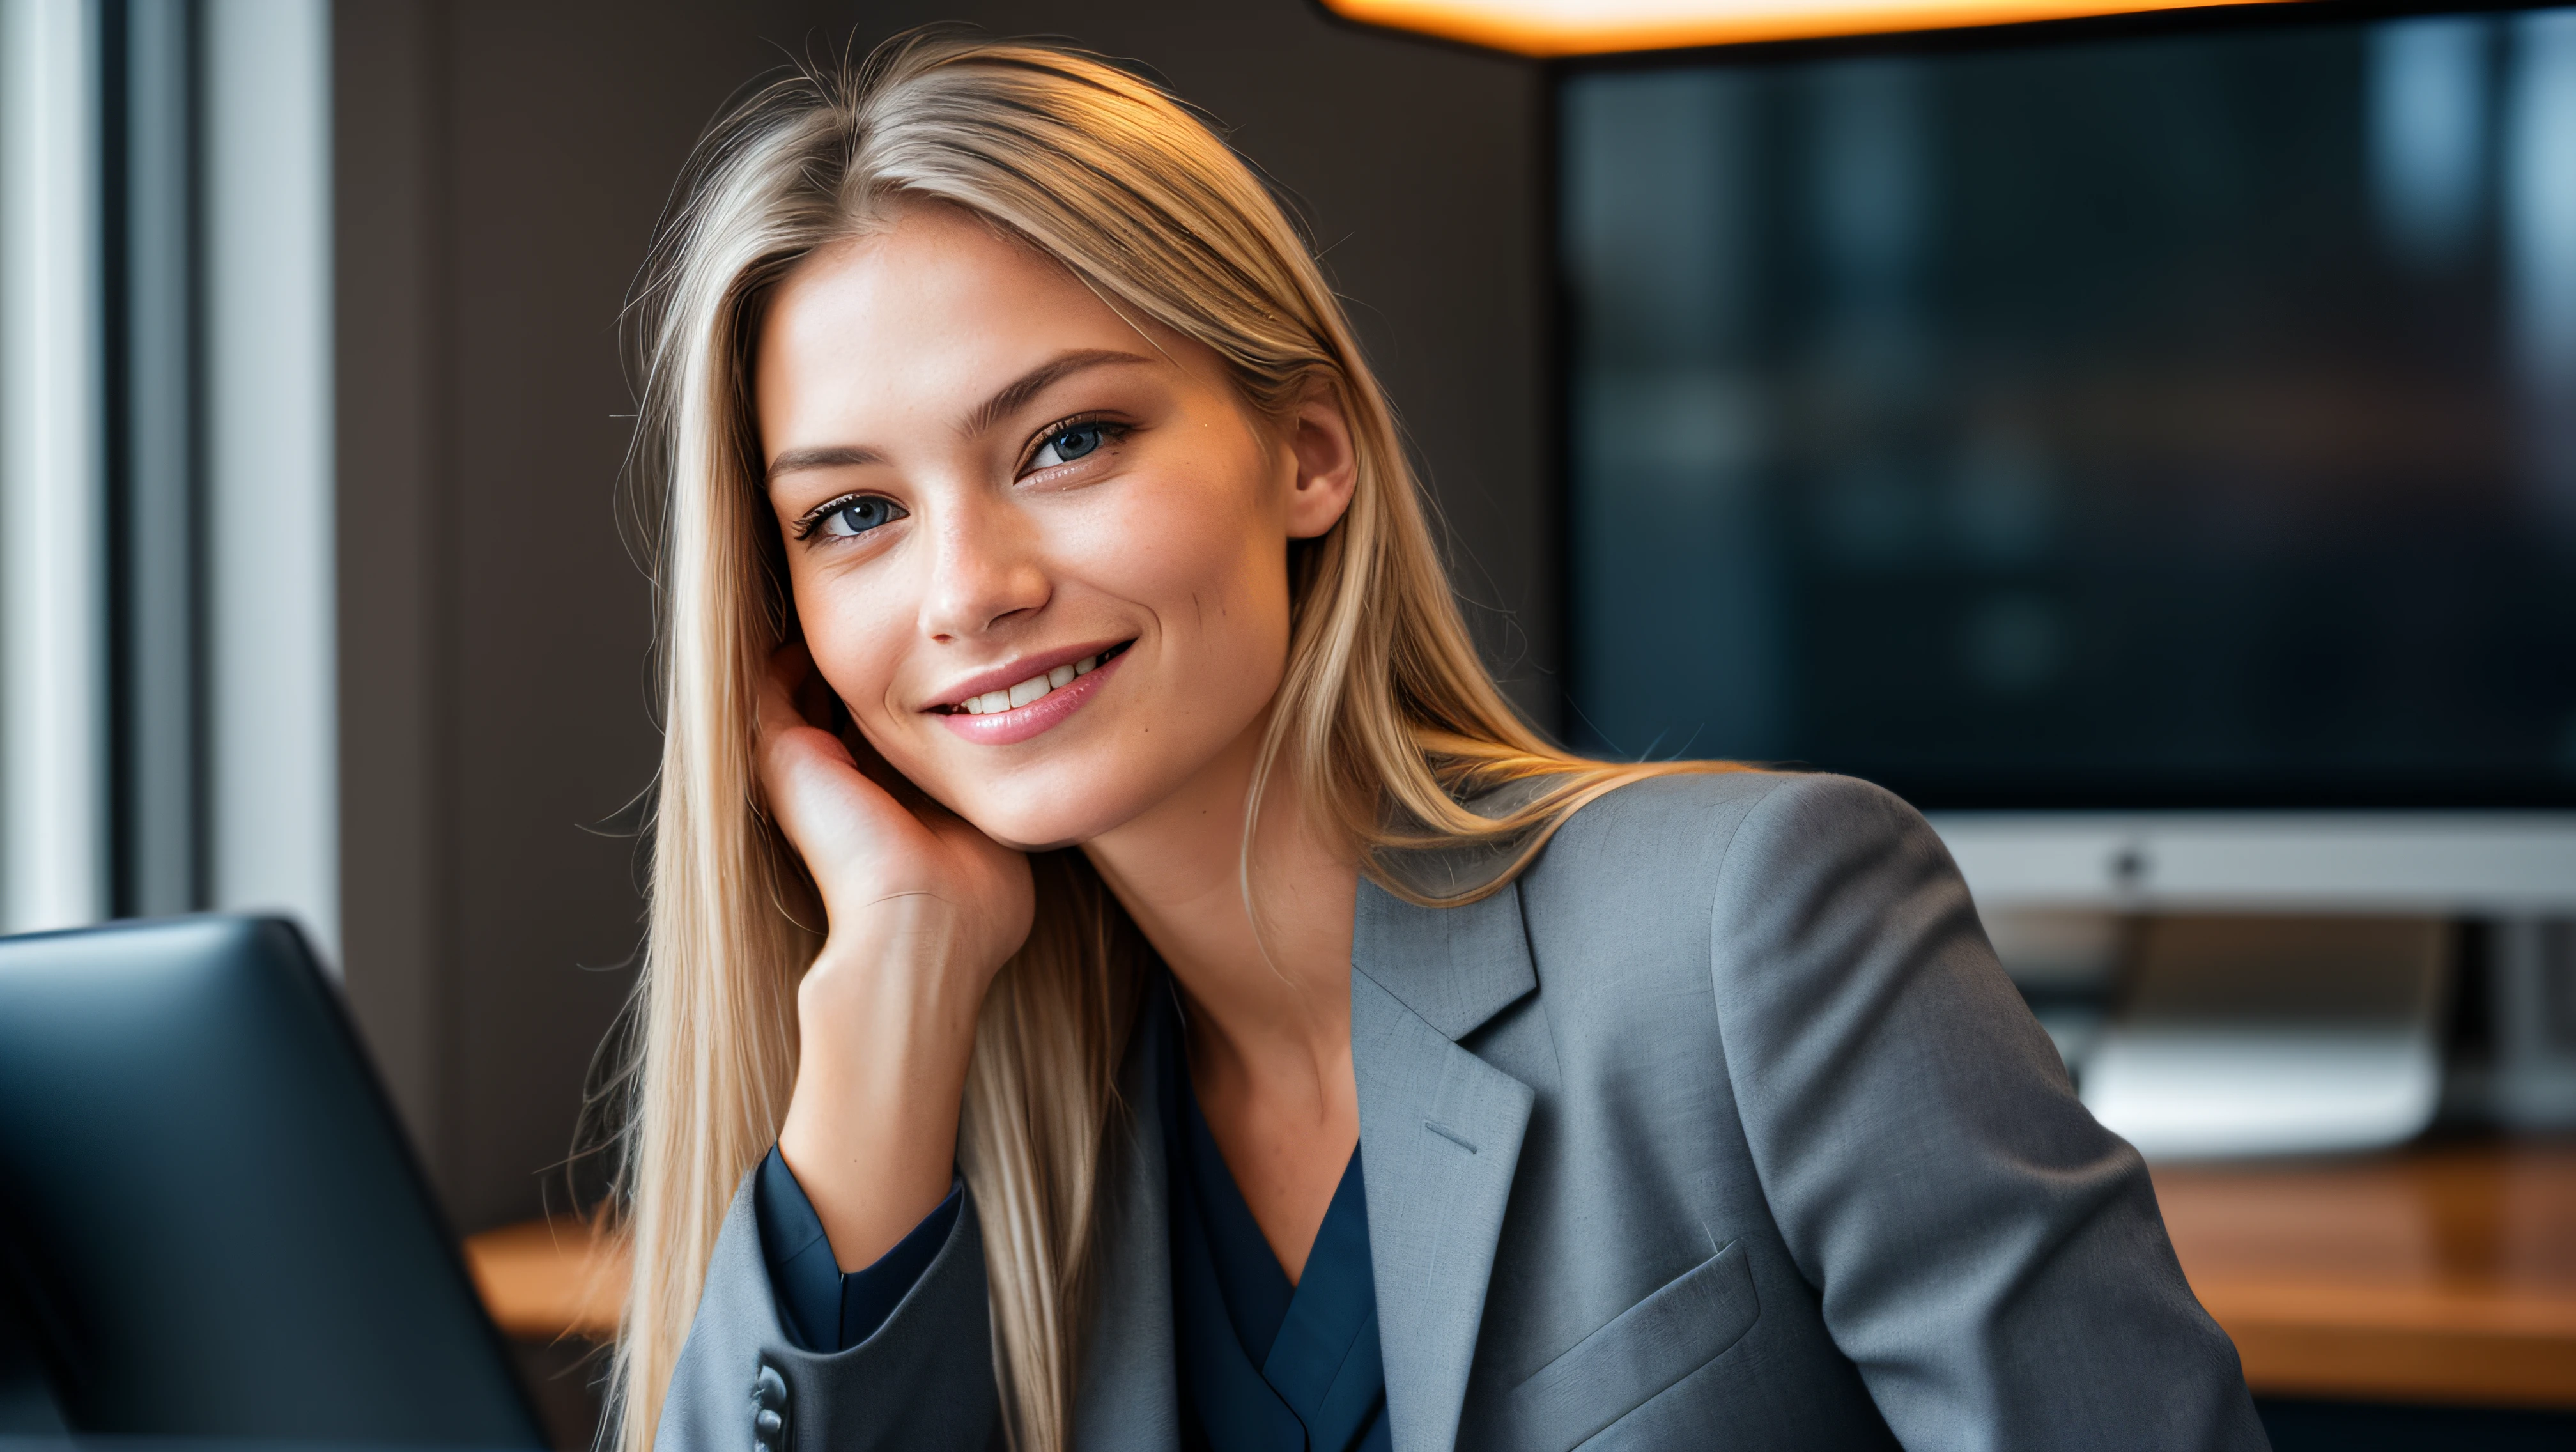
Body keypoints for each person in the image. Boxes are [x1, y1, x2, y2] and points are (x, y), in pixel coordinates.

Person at [610, 31, 2264, 1452]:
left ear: (1310, 452)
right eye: (853, 514)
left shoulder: (1758, 927)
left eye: (1067, 439)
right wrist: (893, 967)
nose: (969, 589)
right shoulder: (971, 1144)